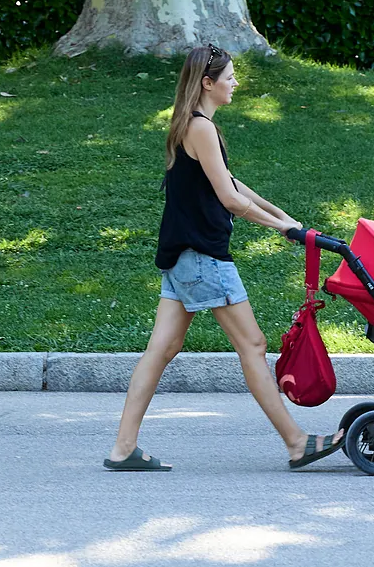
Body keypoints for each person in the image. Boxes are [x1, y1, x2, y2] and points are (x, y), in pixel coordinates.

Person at [103, 44, 344, 472]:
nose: (236, 83)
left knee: (161, 348)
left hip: (181, 258)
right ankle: (296, 442)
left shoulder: (189, 125)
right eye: (229, 77)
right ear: (206, 83)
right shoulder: (201, 129)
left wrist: (284, 217)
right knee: (252, 344)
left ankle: (123, 448)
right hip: (202, 258)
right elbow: (231, 200)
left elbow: (232, 181)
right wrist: (280, 228)